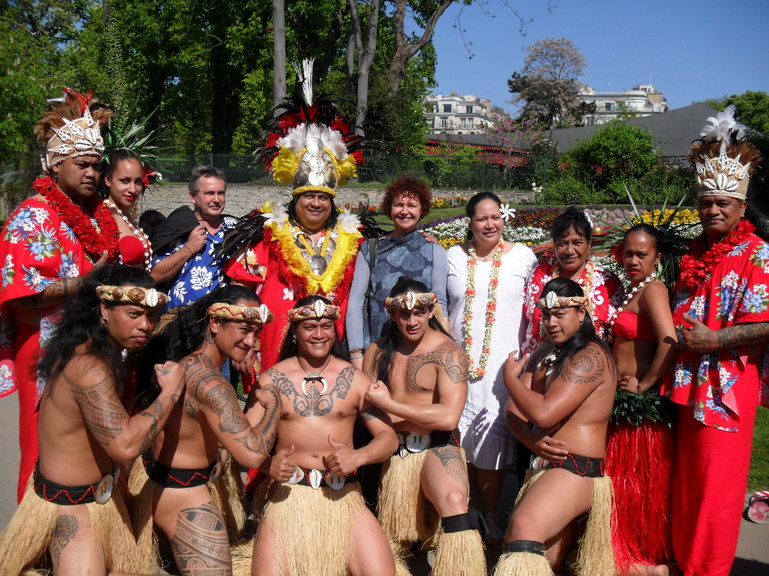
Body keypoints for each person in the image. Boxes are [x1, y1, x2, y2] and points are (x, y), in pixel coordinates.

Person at [0, 264, 184, 576]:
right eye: (134, 314)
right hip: (71, 506)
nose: (146, 325)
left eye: (150, 316)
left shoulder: (100, 353)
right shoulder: (89, 368)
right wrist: (169, 394)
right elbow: (124, 447)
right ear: (104, 310)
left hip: (100, 498)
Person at [659, 106, 769, 576]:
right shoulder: (696, 253)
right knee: (687, 482)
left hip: (727, 389)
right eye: (706, 201)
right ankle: (686, 562)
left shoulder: (759, 254)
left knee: (717, 487)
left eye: (724, 202)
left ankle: (709, 568)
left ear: (743, 207)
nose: (713, 210)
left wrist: (716, 339)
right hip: (686, 383)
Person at [0, 88, 118, 501]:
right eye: (82, 165)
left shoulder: (95, 213)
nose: (91, 173)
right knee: (43, 444)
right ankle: (35, 543)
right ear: (55, 164)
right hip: (45, 349)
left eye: (95, 165)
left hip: (90, 344)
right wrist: (84, 284)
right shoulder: (31, 216)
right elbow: (18, 295)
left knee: (89, 440)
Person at [222, 60, 368, 377]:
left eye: (323, 197)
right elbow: (240, 292)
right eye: (308, 196)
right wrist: (243, 342)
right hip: (273, 353)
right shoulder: (268, 232)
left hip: (334, 353)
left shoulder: (354, 238)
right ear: (295, 197)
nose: (316, 203)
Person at [236, 295, 399, 576]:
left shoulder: (354, 379)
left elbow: (388, 438)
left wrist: (358, 456)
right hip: (288, 497)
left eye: (326, 325)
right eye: (310, 327)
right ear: (295, 332)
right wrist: (265, 465)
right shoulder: (271, 380)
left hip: (343, 496)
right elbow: (240, 440)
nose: (320, 334)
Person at [129, 285, 280, 575]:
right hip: (187, 499)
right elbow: (251, 455)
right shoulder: (212, 384)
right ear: (214, 323)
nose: (251, 342)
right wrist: (273, 407)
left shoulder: (185, 363)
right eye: (244, 330)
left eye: (255, 333)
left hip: (159, 487)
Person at [364, 277, 487, 576]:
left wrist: (390, 407)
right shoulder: (377, 352)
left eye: (419, 311)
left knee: (455, 502)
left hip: (438, 445)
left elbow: (447, 418)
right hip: (392, 450)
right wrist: (385, 429)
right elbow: (366, 407)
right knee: (394, 542)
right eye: (404, 314)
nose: (412, 320)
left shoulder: (448, 353)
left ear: (431, 310)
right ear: (393, 314)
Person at [499, 278, 616, 576]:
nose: (551, 322)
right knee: (548, 562)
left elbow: (545, 414)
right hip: (547, 468)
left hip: (576, 470)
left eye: (559, 314)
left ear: (581, 313)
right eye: (546, 315)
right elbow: (512, 411)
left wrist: (509, 379)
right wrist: (531, 441)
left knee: (523, 530)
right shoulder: (544, 352)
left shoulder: (590, 356)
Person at [446, 191, 537, 544]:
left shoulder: (523, 257)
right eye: (482, 218)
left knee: (492, 443)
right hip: (456, 366)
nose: (489, 224)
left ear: (504, 219)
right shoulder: (452, 256)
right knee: (459, 438)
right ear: (469, 222)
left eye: (496, 217)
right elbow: (438, 302)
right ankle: (463, 511)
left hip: (503, 368)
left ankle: (489, 513)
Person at [606, 224, 677, 575]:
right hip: (620, 405)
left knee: (634, 487)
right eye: (628, 253)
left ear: (657, 257)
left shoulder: (654, 290)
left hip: (639, 411)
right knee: (621, 486)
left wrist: (646, 384)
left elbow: (669, 340)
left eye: (641, 254)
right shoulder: (633, 290)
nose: (632, 260)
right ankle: (629, 551)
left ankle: (641, 558)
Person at [346, 175, 448, 368]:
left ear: (422, 209)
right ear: (389, 208)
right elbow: (356, 303)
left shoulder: (434, 251)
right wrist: (356, 353)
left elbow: (440, 300)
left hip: (422, 353)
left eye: (412, 205)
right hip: (377, 350)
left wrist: (442, 347)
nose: (405, 211)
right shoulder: (371, 250)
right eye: (399, 205)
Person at [522, 207, 623, 354]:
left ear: (589, 244)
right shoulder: (539, 275)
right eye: (563, 243)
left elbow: (617, 335)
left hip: (591, 369)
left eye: (577, 243)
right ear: (554, 245)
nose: (569, 251)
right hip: (539, 365)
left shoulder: (608, 282)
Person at [151, 166, 233, 309]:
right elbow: (155, 275)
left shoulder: (235, 230)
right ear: (192, 197)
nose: (216, 199)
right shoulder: (178, 227)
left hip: (223, 320)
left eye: (221, 193)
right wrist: (188, 248)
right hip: (180, 321)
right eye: (209, 193)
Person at [101, 149, 154, 270]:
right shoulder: (101, 216)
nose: (133, 189)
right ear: (108, 179)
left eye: (138, 182)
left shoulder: (128, 217)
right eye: (125, 181)